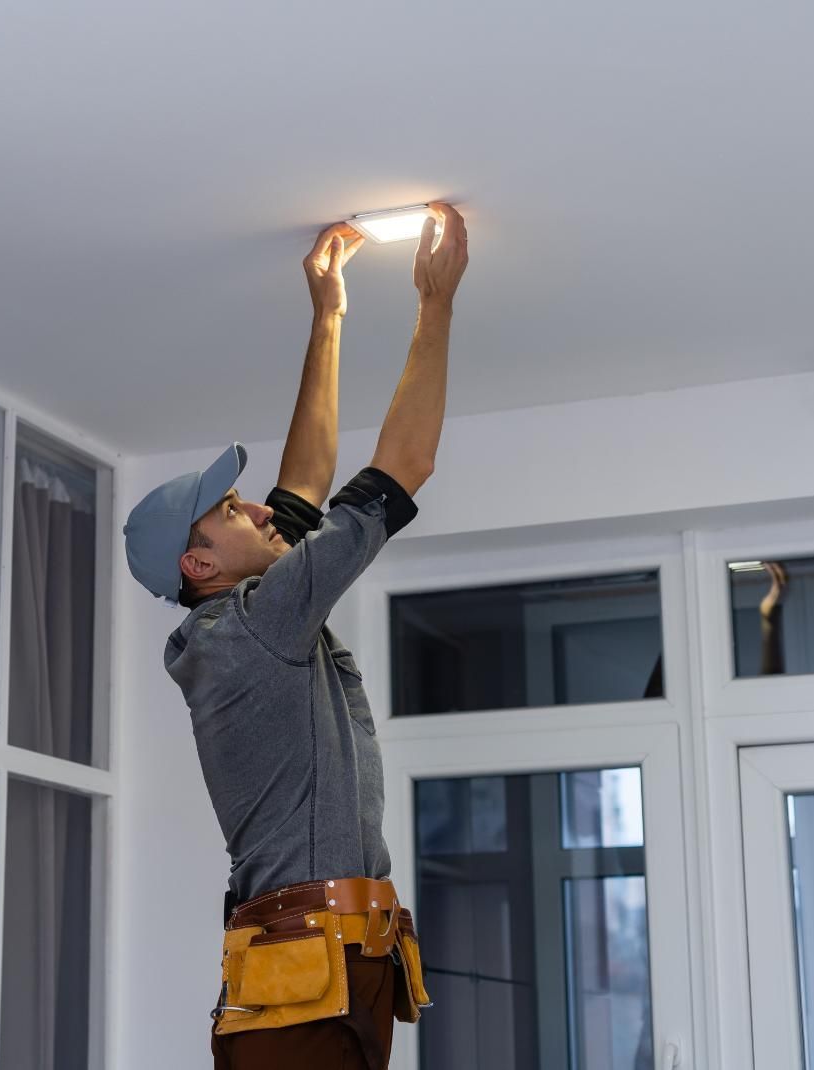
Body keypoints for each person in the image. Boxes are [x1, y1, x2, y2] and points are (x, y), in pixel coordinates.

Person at [123, 203, 469, 1069]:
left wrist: (329, 315)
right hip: (309, 965)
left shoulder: (243, 617)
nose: (257, 509)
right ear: (198, 564)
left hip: (330, 958)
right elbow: (400, 471)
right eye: (230, 511)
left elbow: (302, 482)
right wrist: (436, 303)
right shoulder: (248, 627)